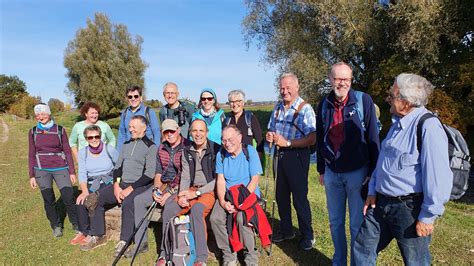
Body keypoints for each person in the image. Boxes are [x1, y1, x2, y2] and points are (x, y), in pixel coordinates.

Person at [353, 73, 453, 266]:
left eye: (393, 94)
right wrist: (372, 190)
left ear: (406, 102)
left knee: (415, 261)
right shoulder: (397, 123)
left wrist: (428, 216)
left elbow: (438, 176)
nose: (388, 97)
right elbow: (383, 163)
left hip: (409, 209)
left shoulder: (428, 126)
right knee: (362, 248)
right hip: (380, 204)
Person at [315, 62, 380, 265]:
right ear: (330, 79)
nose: (342, 83)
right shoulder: (323, 104)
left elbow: (373, 138)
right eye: (337, 78)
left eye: (346, 79)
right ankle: (339, 261)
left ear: (351, 80)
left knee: (356, 225)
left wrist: (372, 172)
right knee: (335, 223)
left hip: (357, 173)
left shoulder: (363, 101)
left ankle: (357, 262)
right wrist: (321, 168)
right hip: (332, 172)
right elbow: (319, 137)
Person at [81, 115, 157, 256]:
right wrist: (116, 185)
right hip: (121, 184)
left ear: (144, 128)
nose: (130, 129)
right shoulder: (126, 145)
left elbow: (150, 174)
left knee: (129, 202)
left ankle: (124, 241)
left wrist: (130, 188)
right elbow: (118, 167)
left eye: (133, 126)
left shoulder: (151, 147)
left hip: (140, 186)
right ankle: (99, 235)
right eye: (129, 126)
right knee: (95, 198)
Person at [156, 119, 219, 266]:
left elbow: (218, 180)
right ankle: (164, 253)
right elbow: (184, 175)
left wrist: (197, 194)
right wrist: (182, 195)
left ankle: (201, 258)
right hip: (190, 189)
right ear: (190, 133)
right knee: (170, 208)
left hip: (208, 191)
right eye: (194, 131)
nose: (198, 134)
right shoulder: (186, 150)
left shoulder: (216, 150)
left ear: (207, 132)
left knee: (197, 210)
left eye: (201, 131)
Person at [265, 73, 316, 250]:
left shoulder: (305, 108)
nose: (284, 91)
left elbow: (312, 138)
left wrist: (287, 142)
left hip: (297, 156)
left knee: (299, 198)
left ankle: (308, 236)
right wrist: (270, 135)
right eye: (282, 88)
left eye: (288, 88)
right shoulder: (278, 107)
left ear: (296, 87)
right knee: (281, 196)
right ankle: (287, 230)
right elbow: (271, 128)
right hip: (279, 157)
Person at [126, 119, 191, 258]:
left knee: (168, 208)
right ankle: (140, 243)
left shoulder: (187, 147)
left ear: (178, 130)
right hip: (163, 184)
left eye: (172, 131)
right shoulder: (161, 147)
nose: (169, 134)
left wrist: (170, 193)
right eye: (166, 132)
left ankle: (164, 251)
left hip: (180, 188)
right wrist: (156, 189)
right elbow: (158, 172)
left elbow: (186, 176)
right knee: (139, 200)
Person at [210, 125, 267, 266]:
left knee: (242, 218)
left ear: (240, 138)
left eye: (230, 139)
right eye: (224, 140)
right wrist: (223, 202)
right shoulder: (221, 154)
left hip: (247, 195)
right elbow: (221, 181)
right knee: (215, 218)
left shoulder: (250, 151)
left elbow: (254, 180)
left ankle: (250, 257)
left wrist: (240, 203)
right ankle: (229, 254)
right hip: (228, 195)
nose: (227, 144)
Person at [28, 103, 78, 237]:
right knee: (48, 199)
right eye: (37, 114)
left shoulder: (60, 130)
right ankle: (56, 225)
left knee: (68, 197)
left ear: (49, 114)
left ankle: (76, 223)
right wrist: (32, 175)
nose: (40, 117)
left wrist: (72, 171)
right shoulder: (33, 132)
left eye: (43, 113)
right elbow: (31, 154)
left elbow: (67, 152)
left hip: (61, 168)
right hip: (41, 169)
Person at [70, 125, 118, 248]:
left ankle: (97, 234)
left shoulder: (109, 149)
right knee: (80, 201)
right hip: (93, 183)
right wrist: (84, 190)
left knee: (94, 200)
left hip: (109, 182)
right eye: (90, 137)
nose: (94, 139)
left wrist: (118, 183)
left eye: (97, 136)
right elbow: (82, 173)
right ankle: (84, 232)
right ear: (86, 139)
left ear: (101, 136)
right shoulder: (83, 153)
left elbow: (119, 167)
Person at [117, 85, 160, 152]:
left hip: (146, 151)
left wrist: (155, 151)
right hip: (129, 151)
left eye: (136, 96)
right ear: (127, 98)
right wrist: (119, 153)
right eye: (130, 97)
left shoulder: (149, 112)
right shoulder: (124, 113)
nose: (133, 99)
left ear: (140, 98)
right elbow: (121, 134)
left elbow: (156, 133)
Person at [224, 89, 264, 157]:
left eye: (238, 101)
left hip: (247, 157)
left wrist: (258, 158)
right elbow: (223, 140)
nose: (235, 104)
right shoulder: (227, 121)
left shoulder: (250, 118)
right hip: (231, 157)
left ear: (243, 103)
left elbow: (259, 139)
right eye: (232, 102)